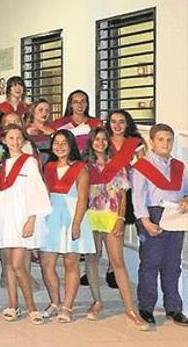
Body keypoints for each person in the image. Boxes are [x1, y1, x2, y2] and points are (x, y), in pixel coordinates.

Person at [83, 127, 149, 330]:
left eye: (104, 139)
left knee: (117, 261)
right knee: (92, 260)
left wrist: (120, 218)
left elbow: (122, 195)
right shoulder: (84, 166)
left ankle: (130, 309)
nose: (100, 142)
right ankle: (97, 301)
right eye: (97, 139)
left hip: (111, 216)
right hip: (91, 217)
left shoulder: (117, 165)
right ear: (91, 142)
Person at [131, 123, 188, 327]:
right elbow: (138, 197)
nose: (166, 143)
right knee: (151, 262)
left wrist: (186, 200)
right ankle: (146, 307)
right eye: (161, 139)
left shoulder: (180, 166)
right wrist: (145, 221)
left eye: (169, 139)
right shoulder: (142, 166)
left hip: (175, 216)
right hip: (152, 215)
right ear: (152, 141)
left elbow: (186, 191)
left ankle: (173, 307)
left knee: (173, 265)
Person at [0, 124, 51, 325]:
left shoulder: (29, 163)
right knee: (8, 264)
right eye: (11, 138)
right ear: (4, 140)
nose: (16, 141)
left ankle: (31, 307)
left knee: (19, 265)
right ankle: (12, 304)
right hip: (5, 219)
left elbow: (37, 190)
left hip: (22, 218)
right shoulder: (2, 165)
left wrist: (32, 218)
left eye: (19, 138)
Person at [39, 130, 94, 323]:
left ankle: (67, 306)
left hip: (73, 217)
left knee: (71, 262)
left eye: (64, 143)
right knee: (47, 263)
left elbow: (82, 197)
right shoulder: (48, 167)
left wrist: (77, 223)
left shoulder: (81, 168)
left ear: (71, 146)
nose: (60, 147)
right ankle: (55, 302)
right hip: (52, 217)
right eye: (56, 142)